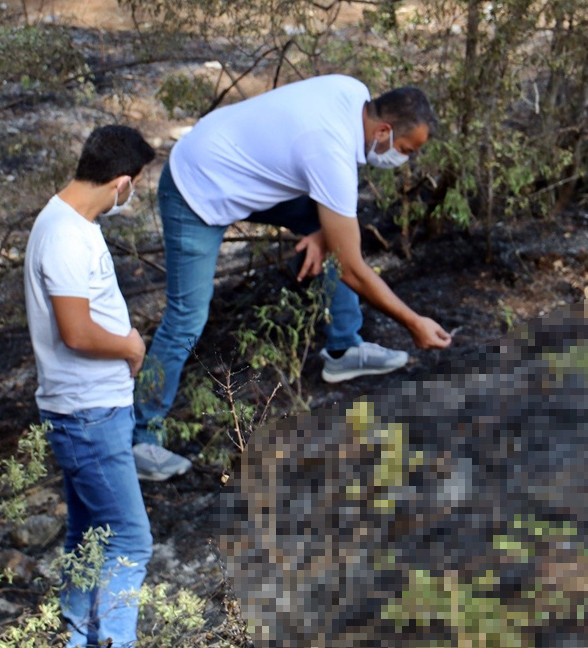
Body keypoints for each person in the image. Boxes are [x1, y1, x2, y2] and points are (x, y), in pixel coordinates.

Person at [132, 75, 453, 476]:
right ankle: (142, 438)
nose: (403, 159)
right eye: (404, 150)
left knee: (333, 233)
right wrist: (413, 322)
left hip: (243, 167)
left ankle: (343, 350)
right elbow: (352, 268)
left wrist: (321, 229)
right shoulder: (329, 150)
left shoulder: (354, 94)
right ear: (384, 131)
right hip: (197, 187)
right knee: (186, 317)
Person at [23, 125, 162, 648]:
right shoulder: (64, 236)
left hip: (92, 410)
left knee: (89, 541)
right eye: (136, 187)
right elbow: (77, 333)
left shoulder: (73, 223)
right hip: (87, 416)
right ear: (122, 182)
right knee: (131, 540)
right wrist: (130, 345)